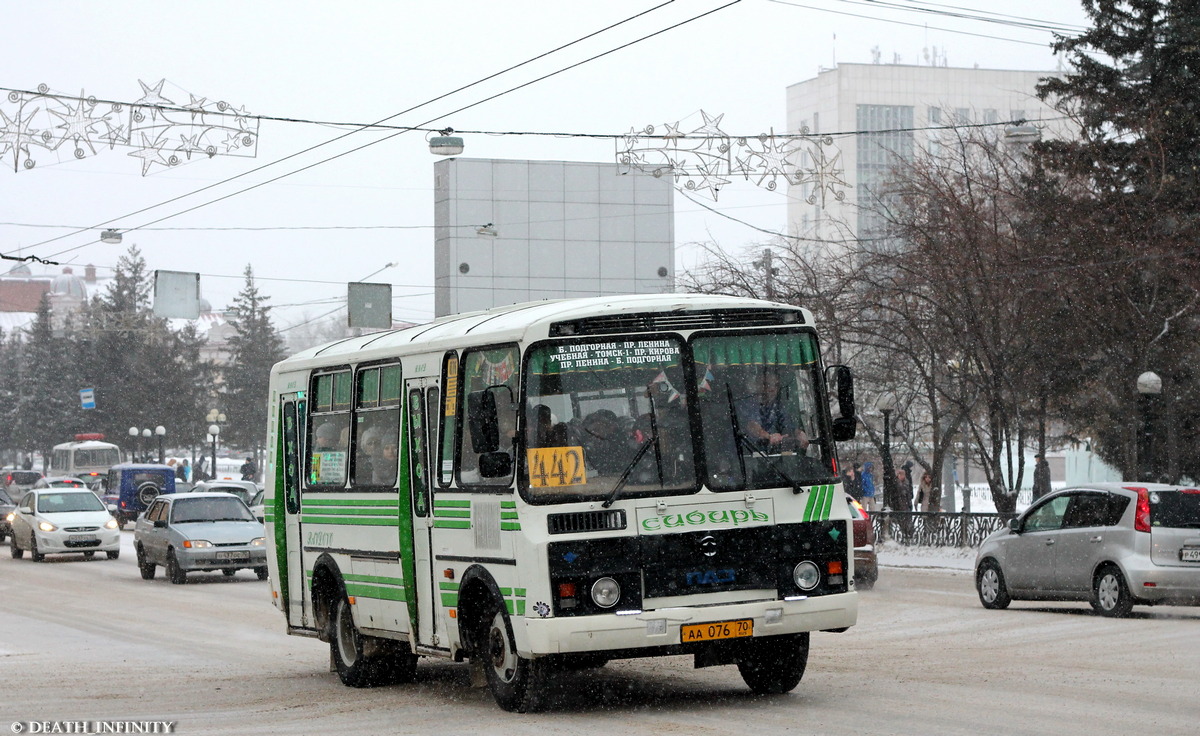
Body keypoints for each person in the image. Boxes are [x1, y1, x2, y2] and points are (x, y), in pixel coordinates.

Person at [738, 371, 809, 452]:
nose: (772, 389)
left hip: (770, 457)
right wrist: (769, 436)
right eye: (766, 384)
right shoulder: (746, 404)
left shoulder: (778, 406)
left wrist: (799, 434)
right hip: (745, 455)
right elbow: (752, 426)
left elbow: (788, 425)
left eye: (776, 385)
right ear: (757, 385)